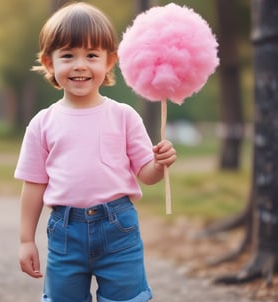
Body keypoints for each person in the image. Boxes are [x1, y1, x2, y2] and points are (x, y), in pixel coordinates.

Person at [14, 2, 176, 302]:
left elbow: (146, 175)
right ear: (50, 63)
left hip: (119, 230)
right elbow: (33, 185)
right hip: (65, 233)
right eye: (67, 56)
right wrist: (26, 240)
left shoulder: (124, 115)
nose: (80, 65)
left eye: (91, 55)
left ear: (109, 61)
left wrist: (159, 162)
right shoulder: (42, 123)